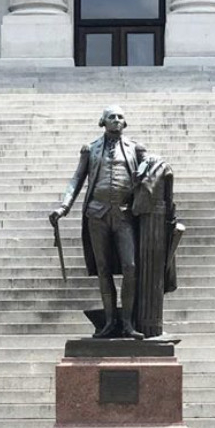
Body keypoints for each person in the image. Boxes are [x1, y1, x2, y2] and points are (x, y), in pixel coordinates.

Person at [50, 106, 149, 339]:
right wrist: (63, 207)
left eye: (120, 117)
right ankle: (109, 322)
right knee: (103, 268)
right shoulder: (91, 149)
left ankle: (127, 323)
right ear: (102, 122)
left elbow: (152, 172)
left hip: (124, 214)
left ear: (125, 123)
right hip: (97, 214)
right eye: (111, 117)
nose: (116, 120)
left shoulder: (136, 148)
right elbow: (77, 178)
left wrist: (145, 167)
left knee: (130, 267)